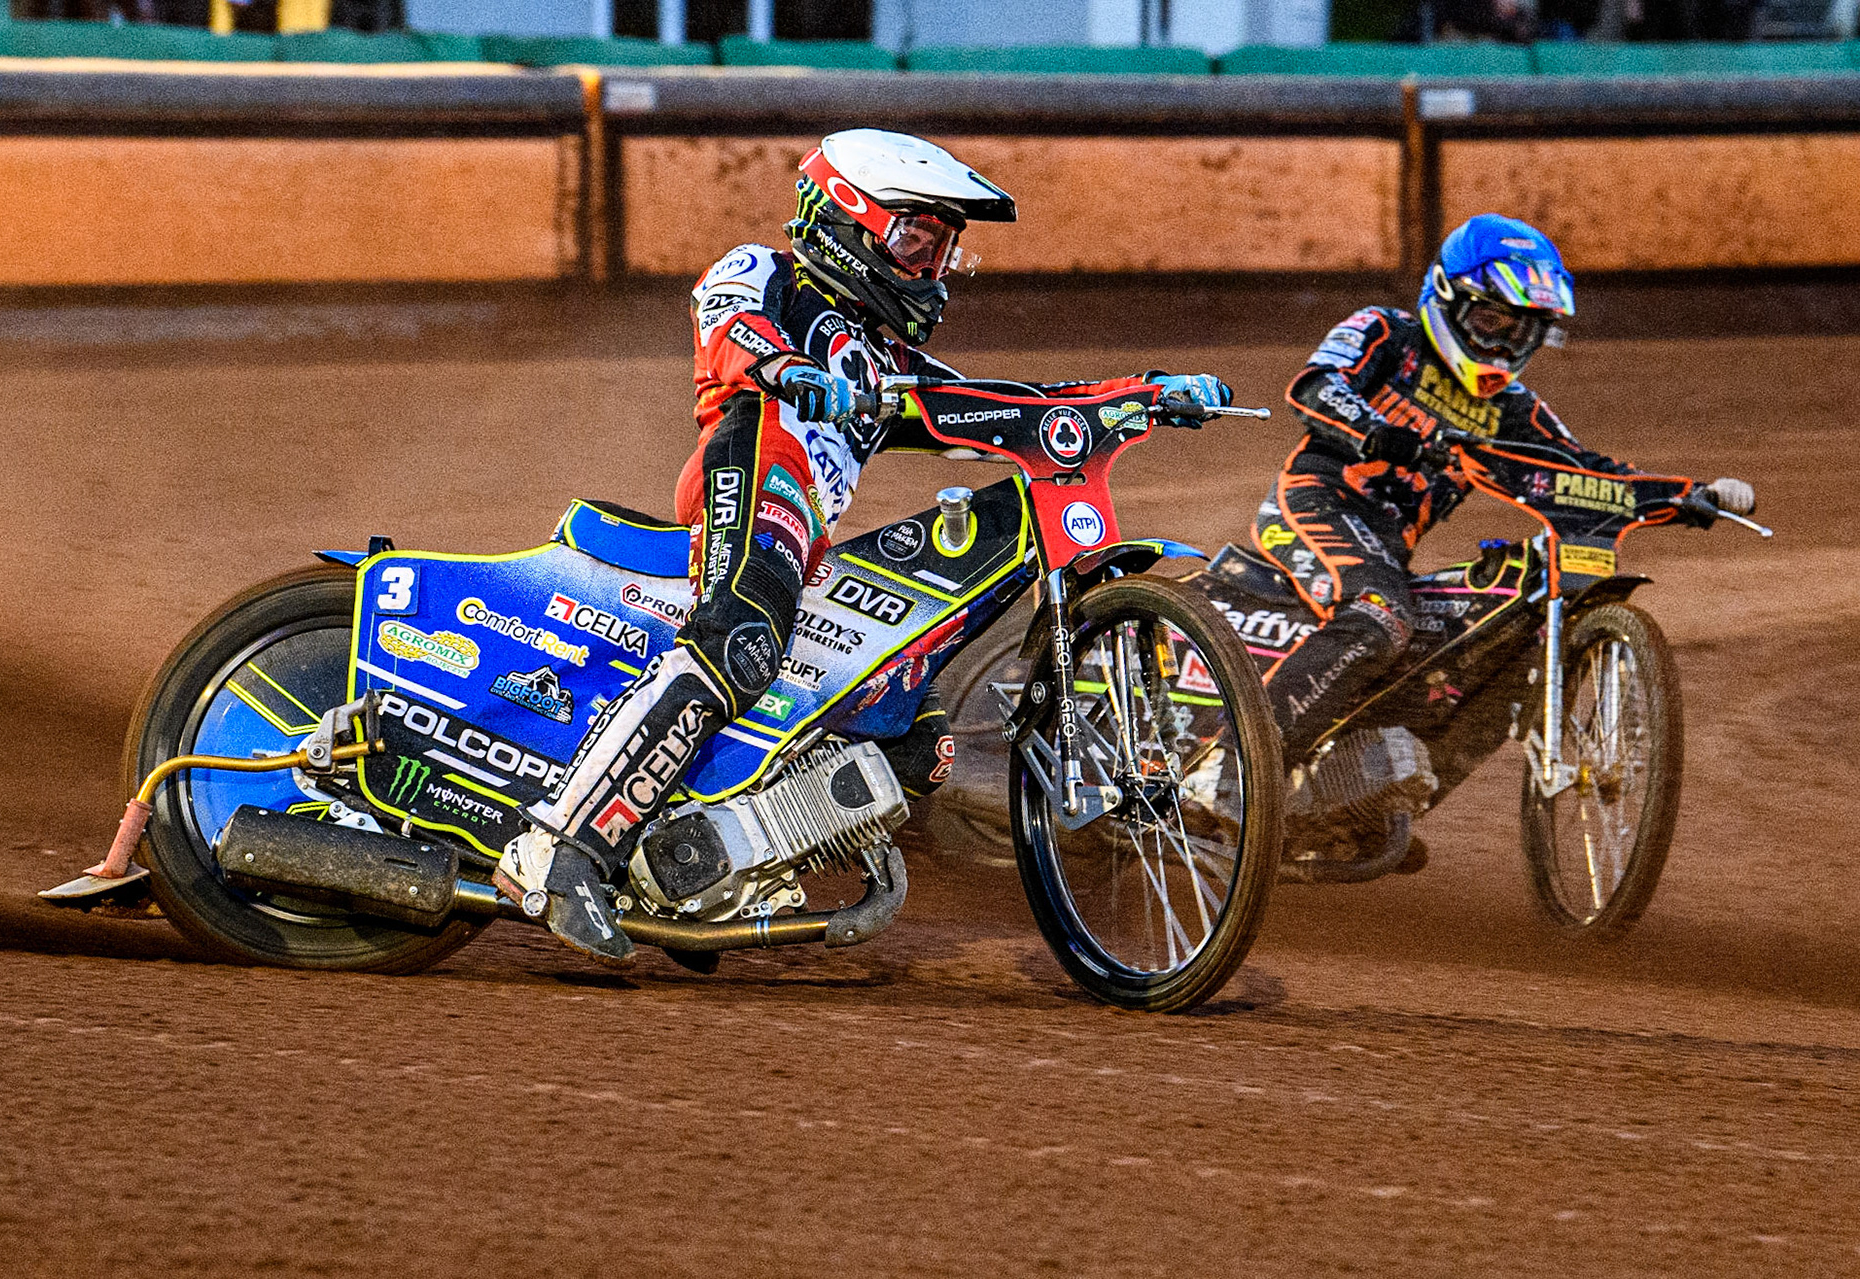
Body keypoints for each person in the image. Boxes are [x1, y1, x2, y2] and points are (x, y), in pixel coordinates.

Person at [497, 128, 1233, 962]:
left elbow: (1010, 407)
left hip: (806, 532)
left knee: (914, 735)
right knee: (739, 639)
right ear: (848, 218)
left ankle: (713, 864)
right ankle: (564, 851)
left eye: (942, 248)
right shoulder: (769, 272)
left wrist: (1143, 394)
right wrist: (785, 365)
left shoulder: (890, 358)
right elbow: (726, 320)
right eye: (915, 239)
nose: (931, 266)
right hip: (753, 467)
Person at [1256, 212, 1755, 761]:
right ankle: (1243, 768)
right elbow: (1315, 386)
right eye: (1490, 320)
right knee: (1380, 612)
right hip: (1318, 502)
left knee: (1468, 647)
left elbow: (1586, 472)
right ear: (1446, 297)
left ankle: (1365, 806)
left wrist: (1686, 496)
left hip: (1389, 547)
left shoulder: (1513, 409)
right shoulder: (1385, 331)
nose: (1500, 343)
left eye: (1520, 331)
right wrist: (1378, 432)